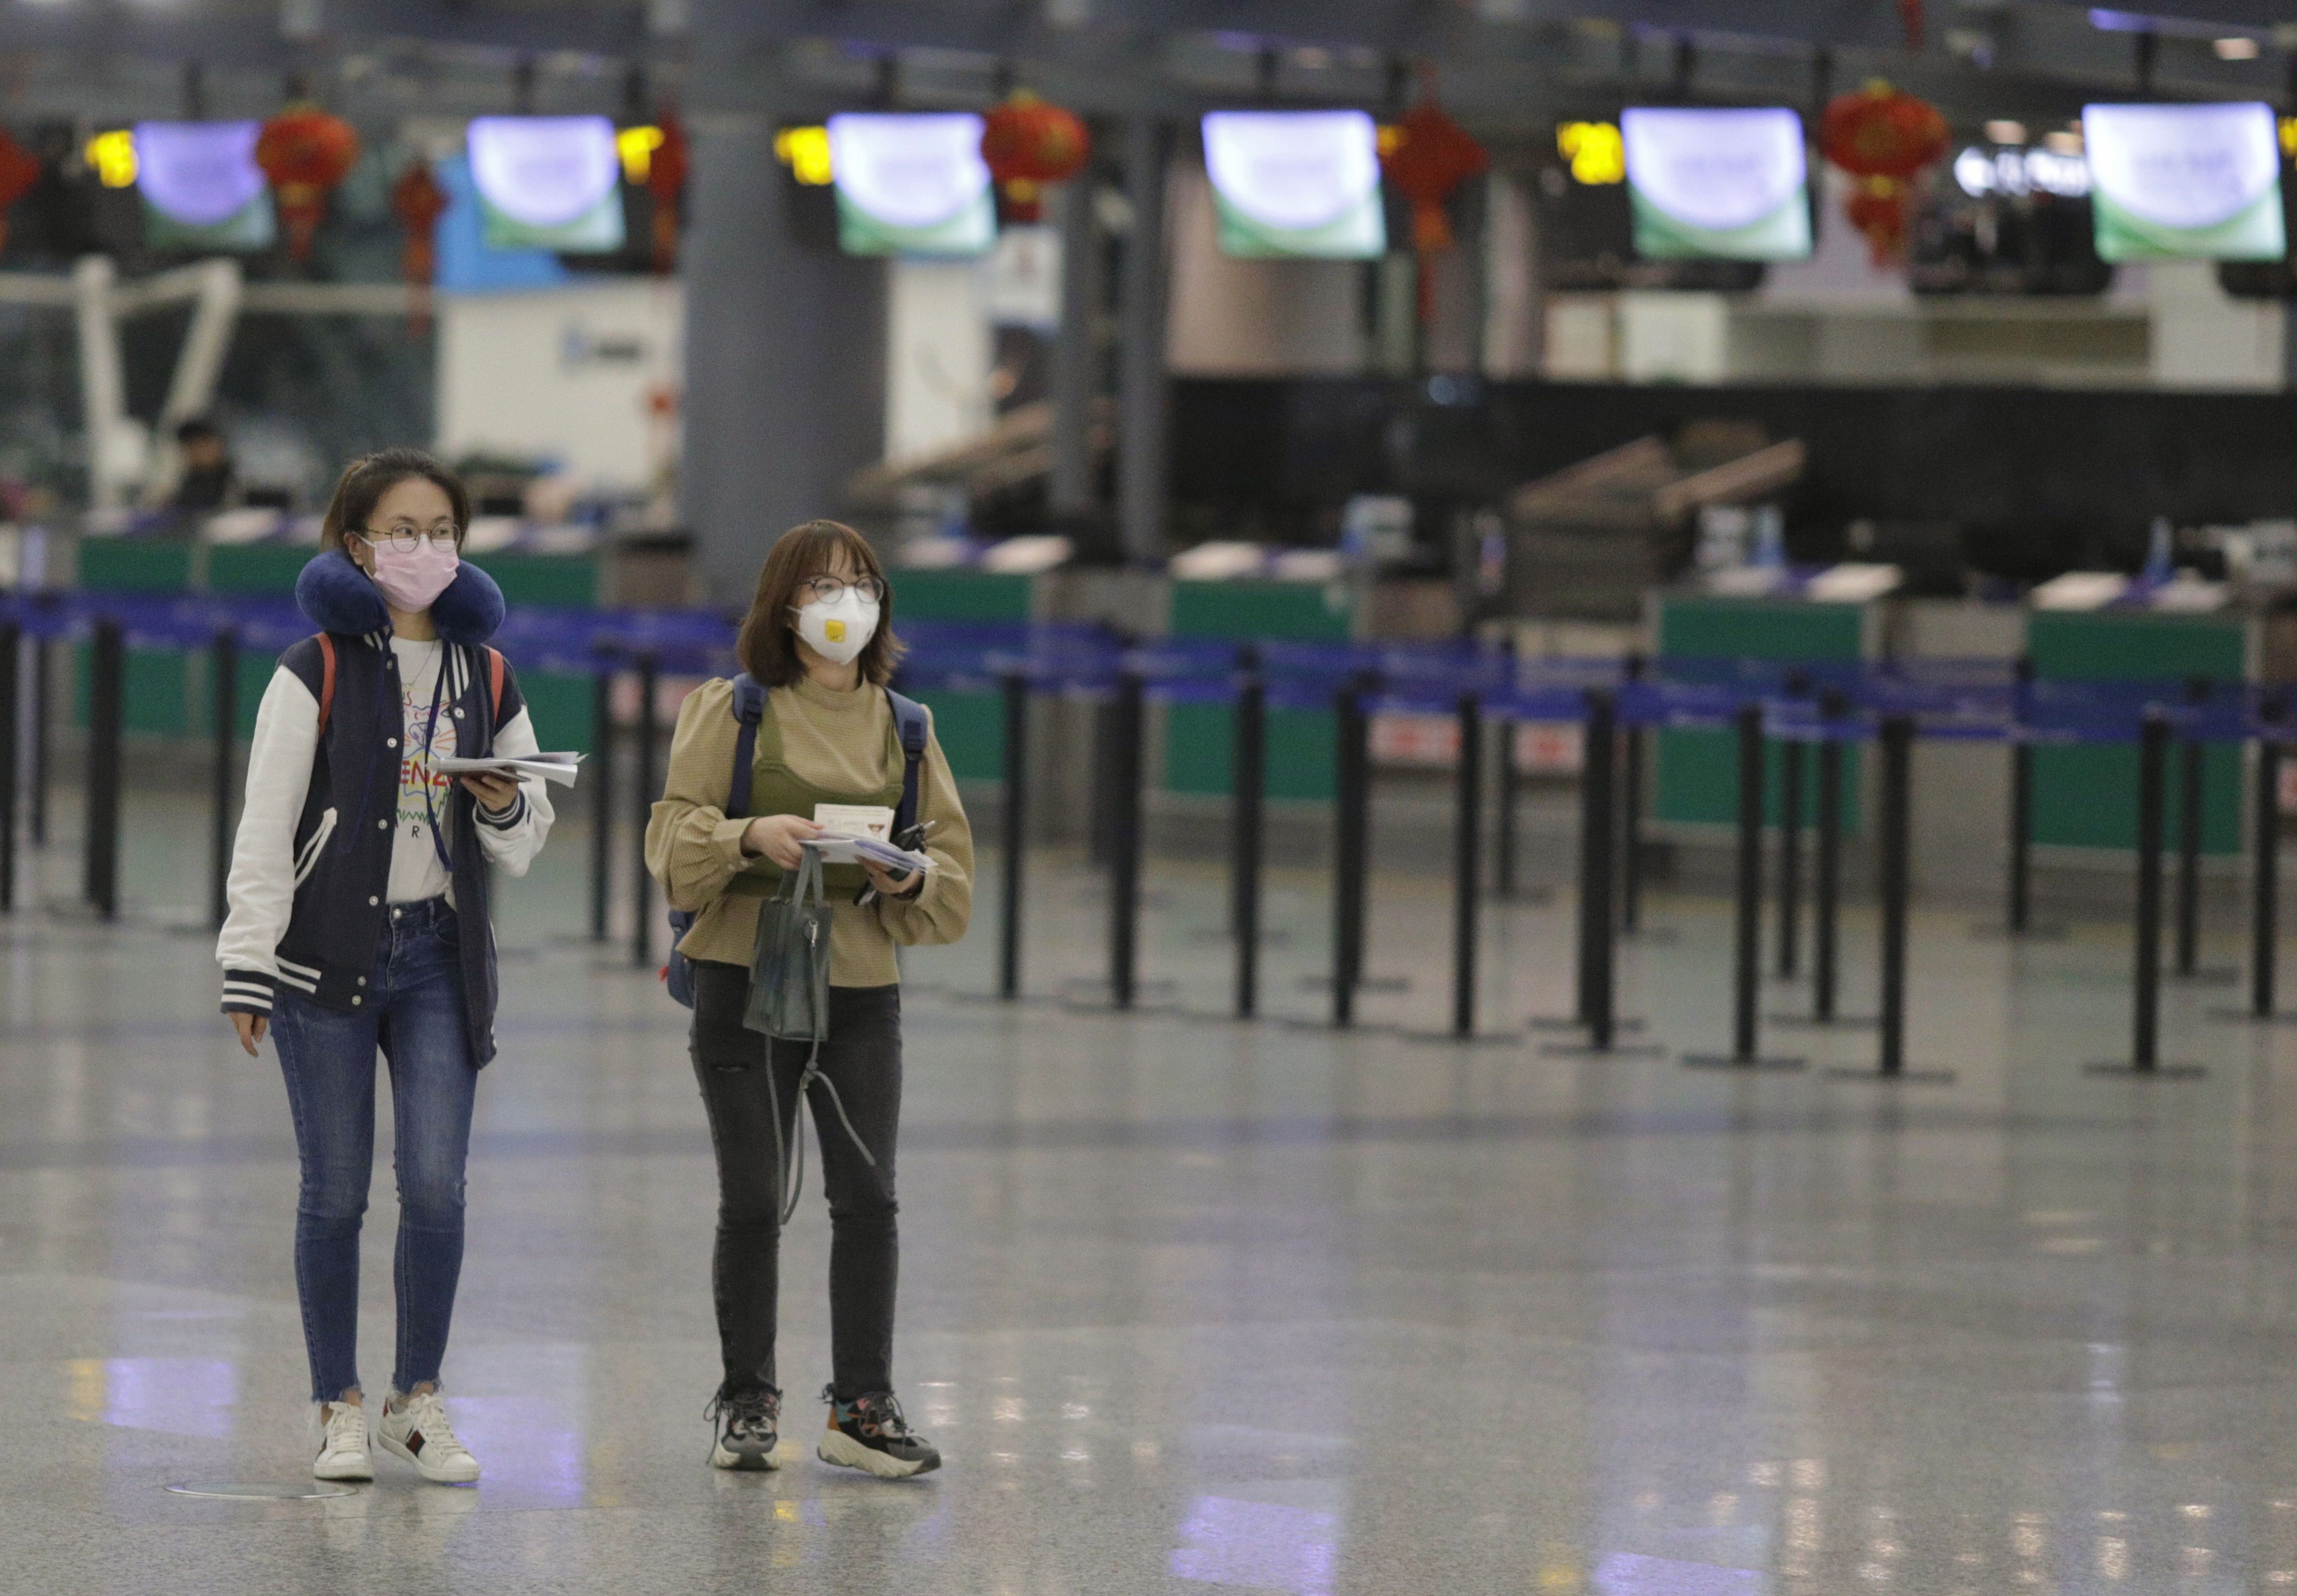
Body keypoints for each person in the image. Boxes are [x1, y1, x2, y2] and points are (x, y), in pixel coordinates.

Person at [216, 448, 555, 1484]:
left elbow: (526, 829)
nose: (425, 548)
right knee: (334, 1195)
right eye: (403, 531)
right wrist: (245, 960)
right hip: (323, 957)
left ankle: (418, 1399)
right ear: (358, 544)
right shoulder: (313, 667)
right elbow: (267, 823)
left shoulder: (483, 670)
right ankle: (339, 1403)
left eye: (443, 530)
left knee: (438, 1188)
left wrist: (503, 800)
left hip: (438, 957)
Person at [647, 519, 973, 1479]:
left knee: (867, 1195)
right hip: (744, 978)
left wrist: (908, 877)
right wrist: (751, 837)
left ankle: (861, 1406)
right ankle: (747, 1400)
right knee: (753, 1197)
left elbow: (951, 866)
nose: (846, 603)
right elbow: (672, 841)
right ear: (784, 605)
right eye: (825, 586)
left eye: (862, 584)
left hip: (861, 985)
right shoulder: (734, 710)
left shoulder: (906, 726)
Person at [170, 417, 236, 512]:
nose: (198, 452)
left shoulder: (237, 481)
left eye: (203, 443)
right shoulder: (189, 486)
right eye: (191, 446)